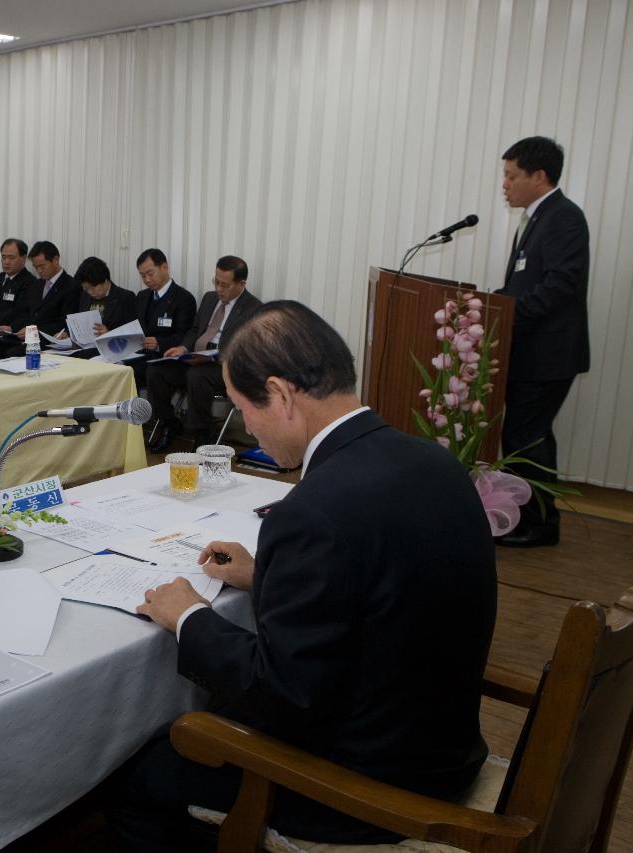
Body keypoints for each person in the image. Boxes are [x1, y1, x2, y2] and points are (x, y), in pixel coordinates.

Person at [112, 301, 496, 850]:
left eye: (246, 408)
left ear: (283, 394)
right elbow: (381, 585)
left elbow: (284, 699)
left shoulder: (312, 510)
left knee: (144, 773)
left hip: (365, 791)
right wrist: (264, 573)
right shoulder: (434, 464)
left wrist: (189, 616)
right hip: (442, 749)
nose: (246, 427)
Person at [493, 136, 590, 548]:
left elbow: (561, 284)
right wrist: (491, 306)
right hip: (532, 352)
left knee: (526, 439)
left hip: (548, 354)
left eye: (511, 176)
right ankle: (531, 519)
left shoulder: (563, 217)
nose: (505, 185)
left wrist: (508, 315)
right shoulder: (538, 217)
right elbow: (523, 283)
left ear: (539, 175)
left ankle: (538, 525)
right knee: (526, 437)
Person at [147, 255, 263, 451]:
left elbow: (248, 349)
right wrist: (183, 348)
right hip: (194, 359)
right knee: (156, 370)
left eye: (225, 285)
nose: (219, 288)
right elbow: (194, 329)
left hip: (224, 367)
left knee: (197, 376)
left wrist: (215, 356)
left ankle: (203, 433)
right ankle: (168, 423)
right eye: (216, 282)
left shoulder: (253, 308)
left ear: (241, 283)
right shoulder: (210, 298)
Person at [127, 248, 196, 388]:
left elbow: (186, 336)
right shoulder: (142, 296)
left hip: (165, 358)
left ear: (165, 267)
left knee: (135, 372)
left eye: (150, 273)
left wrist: (159, 343)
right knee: (116, 369)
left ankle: (150, 410)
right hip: (140, 354)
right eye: (142, 276)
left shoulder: (183, 298)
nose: (147, 279)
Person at [21, 240, 78, 338]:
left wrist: (34, 331)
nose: (39, 271)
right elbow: (26, 312)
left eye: (42, 266)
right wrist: (11, 328)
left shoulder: (71, 286)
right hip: (26, 336)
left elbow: (64, 322)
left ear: (56, 260)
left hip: (48, 338)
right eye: (36, 267)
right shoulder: (36, 284)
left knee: (11, 352)